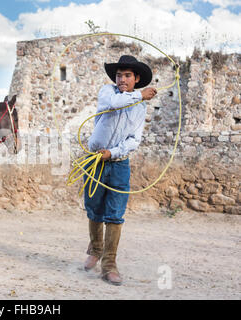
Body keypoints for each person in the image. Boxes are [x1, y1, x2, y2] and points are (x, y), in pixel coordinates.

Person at [83, 55, 157, 286]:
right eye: (119, 75)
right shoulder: (108, 92)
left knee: (115, 214)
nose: (122, 79)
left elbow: (134, 139)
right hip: (94, 160)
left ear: (136, 78)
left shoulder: (140, 107)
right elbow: (114, 105)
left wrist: (112, 153)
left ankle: (109, 265)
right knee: (94, 207)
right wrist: (139, 95)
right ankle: (95, 249)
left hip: (119, 164)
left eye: (127, 75)